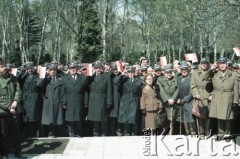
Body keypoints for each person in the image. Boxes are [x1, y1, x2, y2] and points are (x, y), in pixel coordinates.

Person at [209, 57, 239, 140]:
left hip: (228, 96)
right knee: (219, 117)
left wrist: (236, 100)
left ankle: (227, 134)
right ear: (218, 65)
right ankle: (220, 134)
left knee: (228, 117)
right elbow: (205, 78)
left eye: (224, 63)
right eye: (220, 63)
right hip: (217, 97)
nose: (222, 65)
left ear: (227, 64)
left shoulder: (233, 74)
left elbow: (236, 88)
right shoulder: (214, 73)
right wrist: (211, 69)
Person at [0, 58, 22, 158]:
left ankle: (18, 152)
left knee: (16, 132)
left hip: (14, 109)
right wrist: (9, 107)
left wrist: (15, 101)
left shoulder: (12, 78)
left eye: (4, 65)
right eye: (2, 66)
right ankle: (4, 153)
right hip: (3, 112)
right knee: (4, 134)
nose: (5, 68)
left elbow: (18, 90)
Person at [38, 62, 65, 137]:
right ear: (48, 71)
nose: (53, 71)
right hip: (48, 101)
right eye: (51, 70)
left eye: (54, 70)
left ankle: (59, 133)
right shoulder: (46, 79)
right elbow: (38, 84)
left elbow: (63, 91)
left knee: (58, 118)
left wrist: (63, 102)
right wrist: (44, 75)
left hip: (58, 101)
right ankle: (51, 133)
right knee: (50, 118)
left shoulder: (60, 79)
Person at [62, 62, 88, 137]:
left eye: (74, 68)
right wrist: (64, 102)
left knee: (79, 118)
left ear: (77, 69)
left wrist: (85, 102)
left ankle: (79, 133)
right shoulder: (65, 78)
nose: (73, 70)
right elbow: (63, 91)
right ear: (69, 70)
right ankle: (71, 134)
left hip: (79, 101)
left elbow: (85, 91)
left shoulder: (83, 78)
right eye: (71, 69)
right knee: (70, 119)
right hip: (69, 101)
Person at [17, 62, 42, 138]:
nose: (30, 70)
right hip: (26, 98)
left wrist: (41, 73)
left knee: (36, 117)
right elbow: (16, 78)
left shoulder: (37, 76)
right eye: (28, 68)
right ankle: (29, 134)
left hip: (35, 97)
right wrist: (22, 70)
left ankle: (37, 134)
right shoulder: (23, 77)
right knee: (27, 118)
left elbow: (39, 84)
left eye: (31, 68)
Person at [87, 62, 113, 136]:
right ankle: (96, 135)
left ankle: (103, 135)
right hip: (93, 100)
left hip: (102, 100)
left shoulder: (107, 76)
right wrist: (89, 76)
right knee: (95, 120)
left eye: (99, 68)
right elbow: (85, 84)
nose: (98, 69)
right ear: (94, 69)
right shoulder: (91, 77)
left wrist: (109, 102)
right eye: (96, 68)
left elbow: (109, 90)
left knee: (103, 119)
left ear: (102, 68)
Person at [190, 58, 213, 138]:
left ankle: (208, 132)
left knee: (209, 115)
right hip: (199, 97)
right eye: (203, 63)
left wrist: (212, 94)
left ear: (208, 64)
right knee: (200, 116)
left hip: (208, 97)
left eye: (206, 63)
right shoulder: (195, 73)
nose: (204, 64)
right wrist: (196, 94)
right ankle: (201, 133)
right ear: (200, 64)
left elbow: (216, 86)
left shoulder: (211, 73)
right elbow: (193, 85)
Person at [118, 66, 142, 136]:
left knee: (134, 117)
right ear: (127, 73)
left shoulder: (138, 80)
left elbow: (135, 89)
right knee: (125, 117)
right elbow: (116, 82)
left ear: (134, 73)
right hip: (125, 100)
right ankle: (126, 132)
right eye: (129, 72)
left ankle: (134, 133)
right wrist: (122, 74)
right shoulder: (124, 80)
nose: (130, 74)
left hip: (134, 100)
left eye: (132, 72)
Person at [157, 64, 179, 135]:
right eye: (167, 72)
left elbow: (177, 90)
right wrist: (167, 99)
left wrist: (173, 99)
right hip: (164, 103)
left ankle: (170, 135)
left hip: (173, 103)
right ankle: (163, 135)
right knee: (163, 121)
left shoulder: (176, 79)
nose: (169, 74)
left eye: (170, 72)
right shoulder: (160, 79)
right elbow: (161, 90)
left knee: (172, 120)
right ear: (164, 72)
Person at [176, 61, 196, 135]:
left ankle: (193, 133)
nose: (184, 71)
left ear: (188, 69)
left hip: (189, 102)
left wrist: (184, 100)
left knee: (190, 119)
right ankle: (187, 134)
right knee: (183, 120)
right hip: (180, 102)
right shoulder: (179, 78)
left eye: (185, 69)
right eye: (182, 69)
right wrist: (177, 98)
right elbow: (176, 90)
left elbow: (192, 91)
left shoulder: (191, 78)